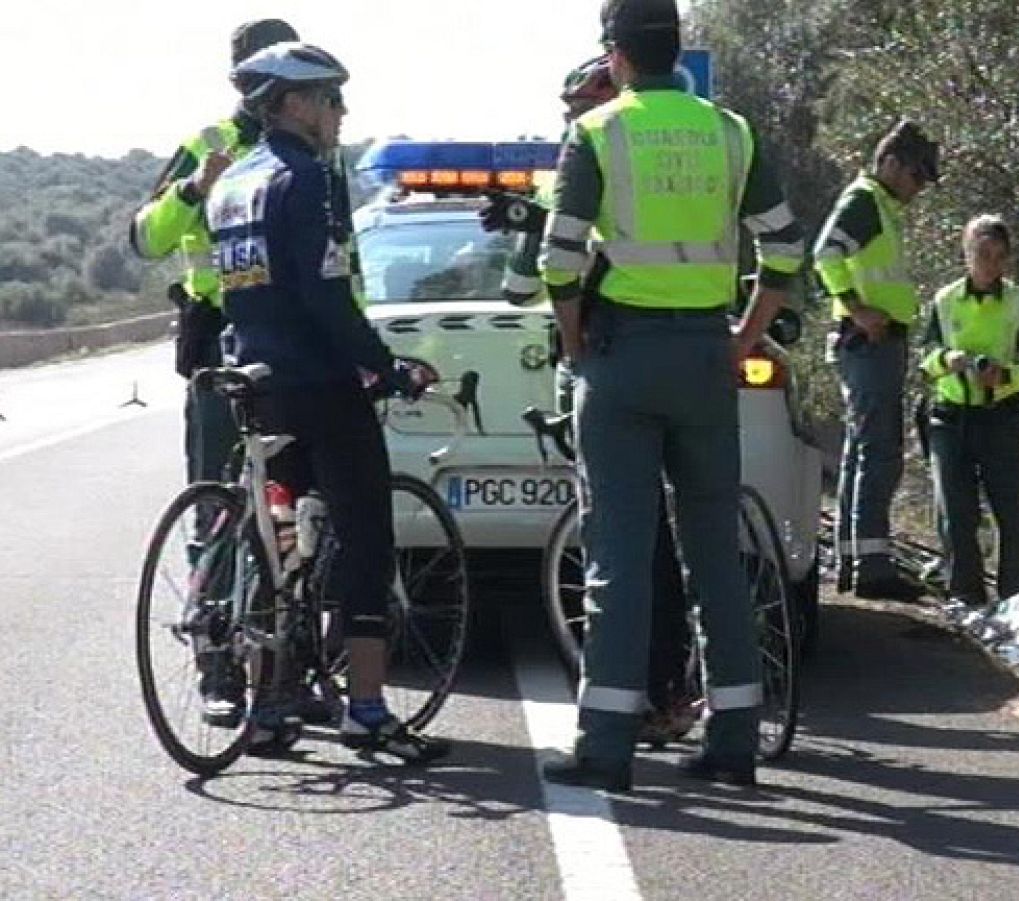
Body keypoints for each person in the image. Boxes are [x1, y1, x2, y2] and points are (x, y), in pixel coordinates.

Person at [536, 0, 805, 791]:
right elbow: (785, 249)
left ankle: (608, 745)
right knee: (715, 550)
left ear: (615, 55)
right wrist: (744, 339)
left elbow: (557, 260)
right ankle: (733, 739)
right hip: (705, 354)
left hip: (621, 357)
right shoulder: (732, 132)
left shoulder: (596, 132)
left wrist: (577, 338)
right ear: (677, 51)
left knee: (617, 554)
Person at [207, 42, 447, 763]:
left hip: (254, 378)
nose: (343, 112)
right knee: (365, 534)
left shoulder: (231, 184)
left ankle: (272, 707)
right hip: (317, 381)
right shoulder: (307, 178)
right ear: (295, 103)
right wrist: (387, 367)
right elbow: (325, 295)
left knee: (278, 543)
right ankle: (367, 710)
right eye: (333, 98)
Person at [484, 53, 699, 745]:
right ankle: (669, 690)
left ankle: (642, 698)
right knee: (658, 539)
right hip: (669, 361)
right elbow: (520, 290)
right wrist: (532, 220)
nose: (571, 115)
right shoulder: (656, 153)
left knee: (628, 546)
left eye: (580, 100)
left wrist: (542, 222)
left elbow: (539, 282)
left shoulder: (600, 159)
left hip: (606, 368)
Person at [128, 18, 299, 728]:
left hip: (295, 343)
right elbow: (145, 237)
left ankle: (288, 665)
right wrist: (197, 187)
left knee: (294, 512)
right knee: (221, 505)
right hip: (218, 347)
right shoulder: (209, 143)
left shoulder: (314, 140)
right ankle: (219, 665)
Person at [814, 119, 941, 601]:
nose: (918, 188)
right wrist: (858, 308)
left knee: (863, 449)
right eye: (916, 176)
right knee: (880, 450)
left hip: (875, 341)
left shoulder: (879, 204)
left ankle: (857, 561)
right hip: (869, 341)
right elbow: (825, 255)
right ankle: (871, 566)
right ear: (890, 163)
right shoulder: (864, 201)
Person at [920, 215, 1019, 606]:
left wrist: (1004, 377)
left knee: (1013, 515)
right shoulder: (944, 300)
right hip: (949, 416)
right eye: (982, 254)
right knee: (955, 515)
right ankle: (964, 595)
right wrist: (948, 359)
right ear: (966, 254)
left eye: (998, 256)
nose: (989, 264)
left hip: (1001, 417)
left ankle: (1018, 600)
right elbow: (925, 358)